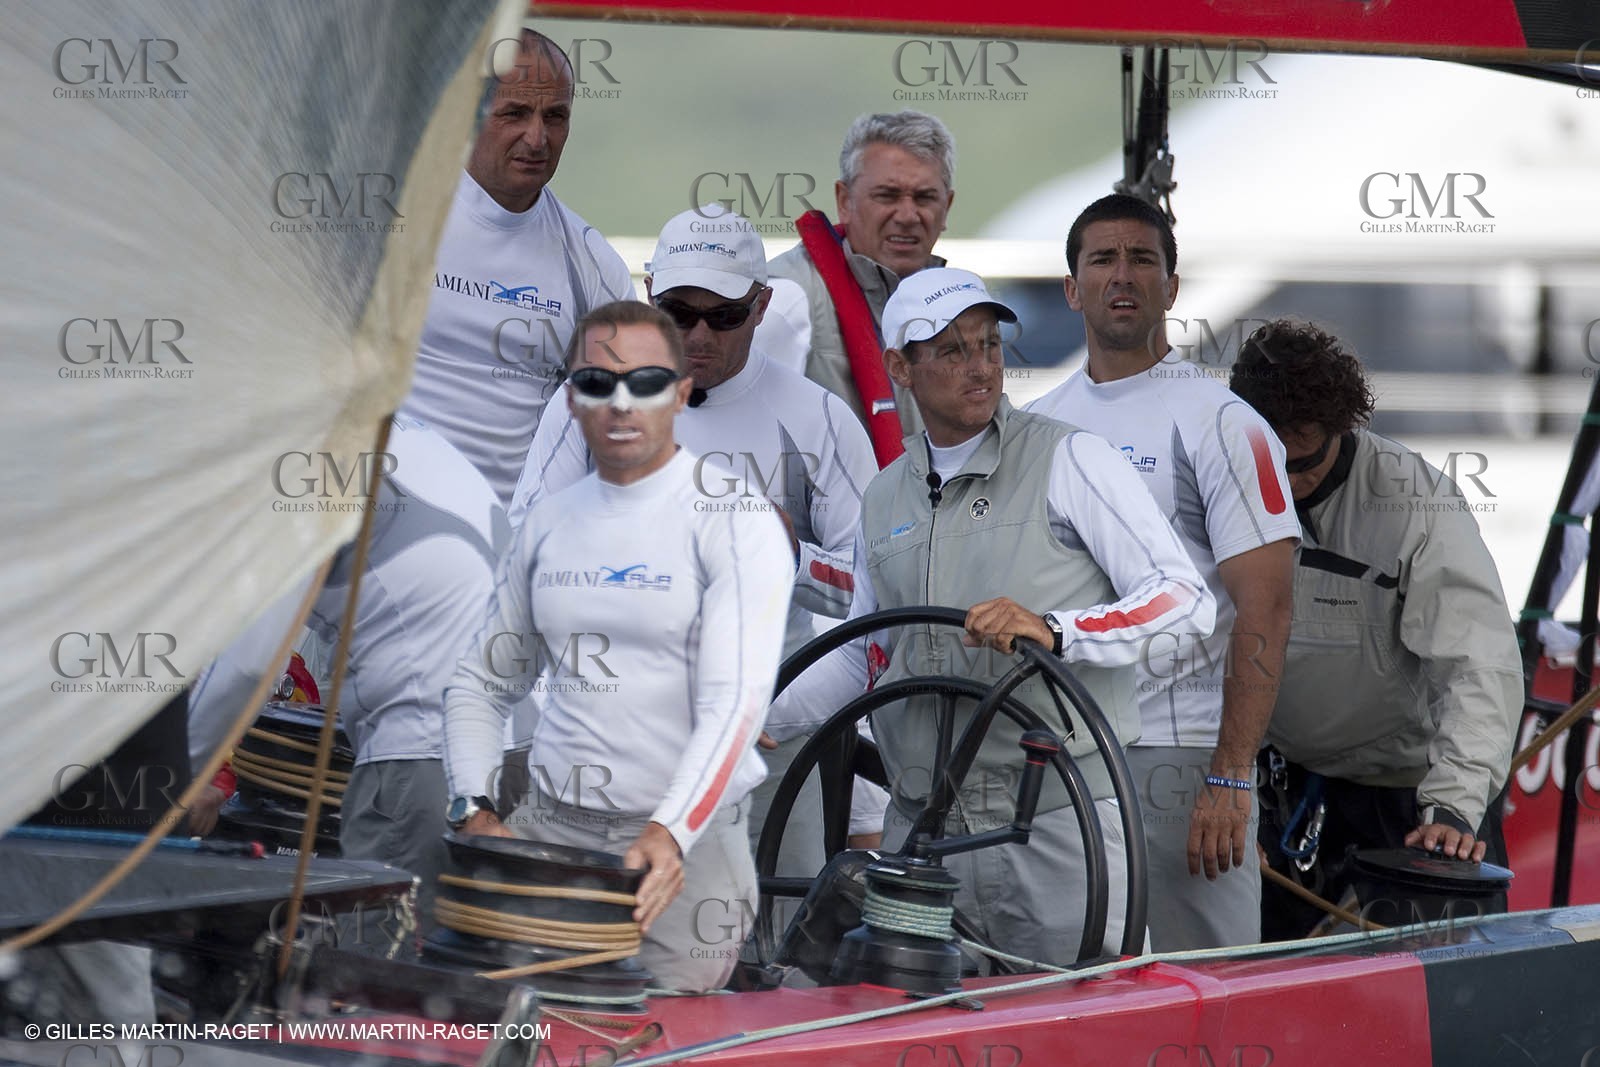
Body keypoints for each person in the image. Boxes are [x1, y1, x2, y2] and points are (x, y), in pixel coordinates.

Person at [766, 268, 1215, 966]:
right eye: (950, 351)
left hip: (1060, 823)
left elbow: (1185, 600)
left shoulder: (1073, 458)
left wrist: (1058, 629)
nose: (980, 367)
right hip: (920, 831)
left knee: (1082, 1033)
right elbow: (865, 654)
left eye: (989, 345)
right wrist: (760, 722)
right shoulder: (882, 498)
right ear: (899, 368)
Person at [509, 207, 883, 885]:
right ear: (651, 295)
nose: (700, 334)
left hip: (770, 741)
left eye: (726, 315)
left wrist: (790, 568)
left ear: (763, 305)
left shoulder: (820, 418)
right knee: (606, 941)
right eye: (679, 312)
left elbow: (879, 598)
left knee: (773, 943)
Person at [442, 301, 794, 992]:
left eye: (647, 382)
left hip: (684, 851)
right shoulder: (548, 522)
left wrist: (670, 832)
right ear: (571, 397)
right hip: (550, 829)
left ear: (682, 391)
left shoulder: (736, 519)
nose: (621, 403)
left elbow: (736, 705)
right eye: (599, 384)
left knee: (653, 1039)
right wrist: (472, 806)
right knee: (514, 1035)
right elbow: (479, 683)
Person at [1025, 194, 1299, 952]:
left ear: (1172, 287)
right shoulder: (1033, 425)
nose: (1123, 275)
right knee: (1067, 997)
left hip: (1181, 762)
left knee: (1207, 1004)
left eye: (1143, 259)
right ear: (1071, 287)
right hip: (1061, 758)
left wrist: (1232, 774)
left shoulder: (1223, 421)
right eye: (1102, 260)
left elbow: (1267, 608)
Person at [1228, 319, 1522, 937]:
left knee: (1440, 990)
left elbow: (1478, 665)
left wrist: (1455, 806)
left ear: (1342, 427)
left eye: (1303, 463)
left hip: (1413, 799)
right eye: (1267, 465)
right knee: (1280, 995)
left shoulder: (1417, 502)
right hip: (1282, 792)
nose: (1285, 485)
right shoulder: (1218, 484)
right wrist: (1227, 792)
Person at [191, 416, 510, 945]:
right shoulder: (404, 432)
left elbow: (246, 662)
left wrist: (180, 778)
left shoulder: (305, 458)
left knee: (380, 988)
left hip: (424, 756)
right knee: (457, 976)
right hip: (505, 743)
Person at [399, 29, 634, 506]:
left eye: (555, 116)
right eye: (515, 114)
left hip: (509, 541)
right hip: (376, 528)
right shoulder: (394, 218)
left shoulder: (593, 267)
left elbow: (627, 425)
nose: (537, 137)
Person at [767, 110, 958, 458]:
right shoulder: (784, 294)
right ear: (844, 201)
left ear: (947, 207)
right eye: (887, 196)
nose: (906, 215)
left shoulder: (962, 309)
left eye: (924, 198)